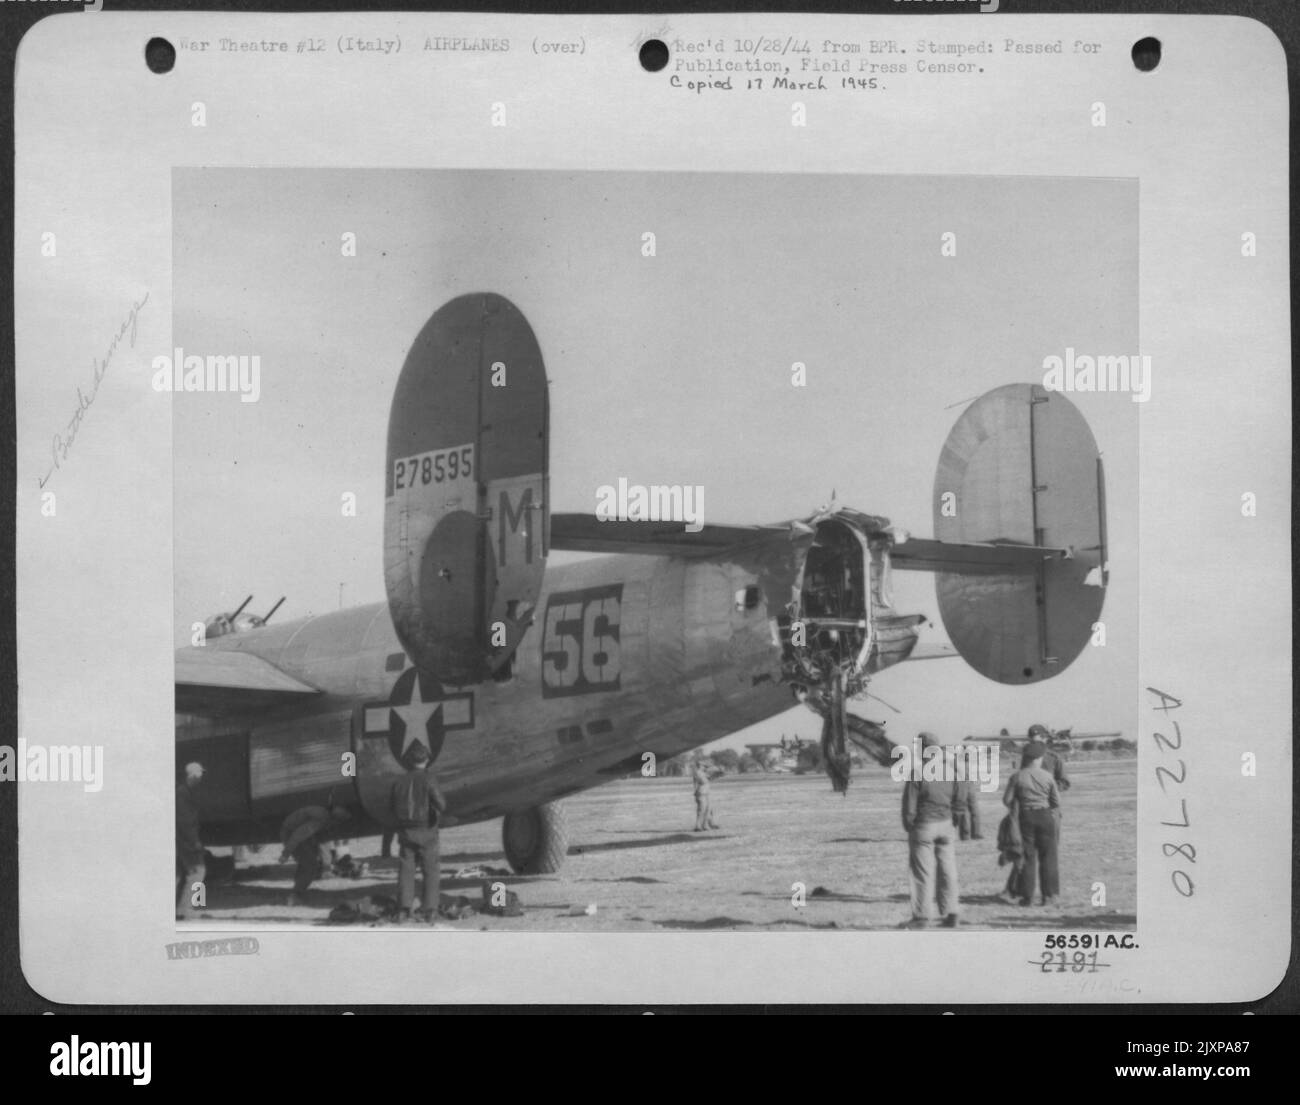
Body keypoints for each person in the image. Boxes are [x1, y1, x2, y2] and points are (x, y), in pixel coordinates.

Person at [900, 732, 960, 928]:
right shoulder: (950, 771)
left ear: (922, 748)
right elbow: (959, 798)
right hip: (946, 823)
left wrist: (910, 825)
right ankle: (950, 912)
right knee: (948, 870)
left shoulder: (918, 772)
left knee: (922, 873)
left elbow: (909, 807)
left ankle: (922, 916)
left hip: (924, 825)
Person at [391, 743, 447, 923]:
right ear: (427, 759)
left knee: (406, 870)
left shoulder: (399, 781)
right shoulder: (429, 779)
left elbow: (392, 807)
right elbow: (442, 804)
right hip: (427, 830)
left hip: (406, 831)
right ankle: (430, 909)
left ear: (409, 761)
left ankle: (403, 909)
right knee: (430, 870)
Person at [1003, 741, 1061, 907]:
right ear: (1039, 758)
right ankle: (1049, 896)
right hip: (1045, 816)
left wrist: (1019, 803)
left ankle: (1027, 896)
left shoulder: (1017, 776)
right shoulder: (1048, 776)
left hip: (1025, 817)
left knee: (1028, 856)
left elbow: (1006, 800)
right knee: (1049, 856)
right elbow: (1056, 801)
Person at [279, 803, 351, 907]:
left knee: (308, 861)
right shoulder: (319, 819)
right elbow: (297, 836)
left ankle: (298, 890)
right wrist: (285, 854)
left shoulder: (323, 814)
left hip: (300, 834)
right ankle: (295, 895)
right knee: (310, 865)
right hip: (291, 834)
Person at [175, 762, 206, 920]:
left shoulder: (184, 792)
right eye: (199, 775)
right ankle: (187, 909)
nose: (200, 779)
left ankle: (183, 909)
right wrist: (194, 841)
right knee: (198, 872)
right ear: (193, 776)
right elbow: (185, 822)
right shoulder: (183, 794)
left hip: (182, 841)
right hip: (186, 842)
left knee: (182, 876)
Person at [1026, 724, 1071, 793]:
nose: (1034, 745)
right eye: (1032, 742)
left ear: (1044, 739)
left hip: (1047, 801)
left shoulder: (1054, 758)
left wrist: (1048, 788)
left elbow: (1064, 782)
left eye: (1037, 742)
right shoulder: (1024, 758)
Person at [691, 756, 718, 831]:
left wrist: (715, 775)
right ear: (700, 766)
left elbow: (709, 779)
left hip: (706, 793)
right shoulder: (698, 773)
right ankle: (698, 826)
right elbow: (703, 781)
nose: (705, 767)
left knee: (708, 809)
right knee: (701, 810)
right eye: (704, 766)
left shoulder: (703, 773)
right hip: (701, 793)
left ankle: (705, 825)